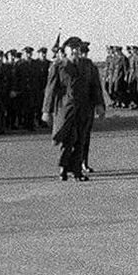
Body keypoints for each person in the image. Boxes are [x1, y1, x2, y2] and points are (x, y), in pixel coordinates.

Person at [43, 36, 105, 181]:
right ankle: (63, 168)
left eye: (78, 48)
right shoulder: (58, 66)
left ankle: (77, 171)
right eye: (72, 48)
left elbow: (95, 87)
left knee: (81, 139)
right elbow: (50, 89)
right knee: (68, 139)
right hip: (66, 109)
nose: (75, 51)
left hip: (84, 108)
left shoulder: (89, 65)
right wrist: (46, 111)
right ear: (66, 50)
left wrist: (99, 105)